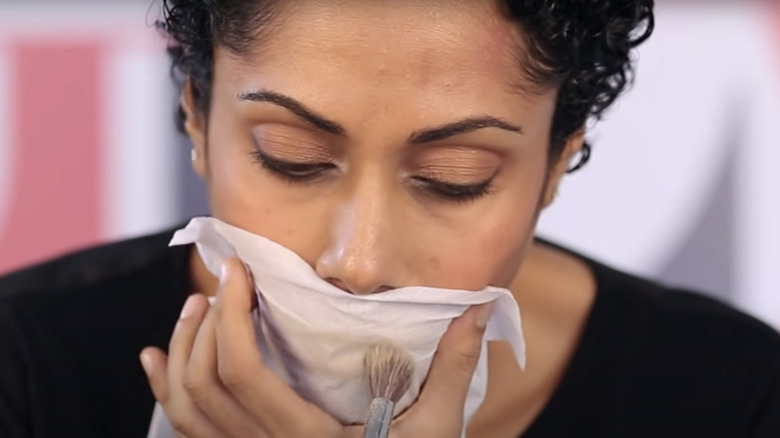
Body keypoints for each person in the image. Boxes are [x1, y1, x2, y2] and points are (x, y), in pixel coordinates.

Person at [1, 0, 779, 437]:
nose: (360, 263)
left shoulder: (734, 397)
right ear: (197, 122)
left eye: (454, 179)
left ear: (555, 164)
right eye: (292, 158)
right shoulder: (26, 369)